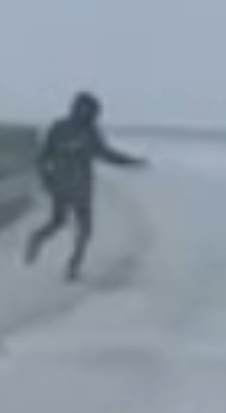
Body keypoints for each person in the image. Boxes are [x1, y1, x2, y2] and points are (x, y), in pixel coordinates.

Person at [24, 91, 146, 280]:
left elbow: (106, 154)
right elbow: (44, 156)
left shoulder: (78, 129)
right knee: (78, 228)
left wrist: (131, 162)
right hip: (71, 186)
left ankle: (62, 259)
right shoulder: (73, 129)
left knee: (67, 225)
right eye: (90, 110)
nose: (90, 114)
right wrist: (45, 178)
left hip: (71, 186)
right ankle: (67, 263)